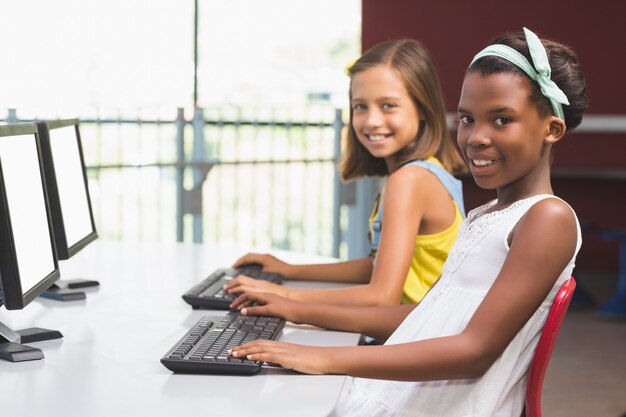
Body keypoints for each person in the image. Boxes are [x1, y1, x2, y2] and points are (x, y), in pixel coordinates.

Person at [228, 27, 588, 417]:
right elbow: (423, 314)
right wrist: (294, 311)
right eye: (468, 118)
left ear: (551, 129)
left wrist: (325, 357)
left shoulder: (547, 218)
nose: (475, 137)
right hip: (413, 398)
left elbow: (474, 352)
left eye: (501, 120)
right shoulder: (486, 216)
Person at [226, 39, 466, 307]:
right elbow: (377, 267)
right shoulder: (426, 171)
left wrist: (283, 295)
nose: (372, 121)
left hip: (411, 340)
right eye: (360, 106)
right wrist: (289, 270)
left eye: (388, 105)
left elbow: (381, 298)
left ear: (423, 108)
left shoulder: (409, 181)